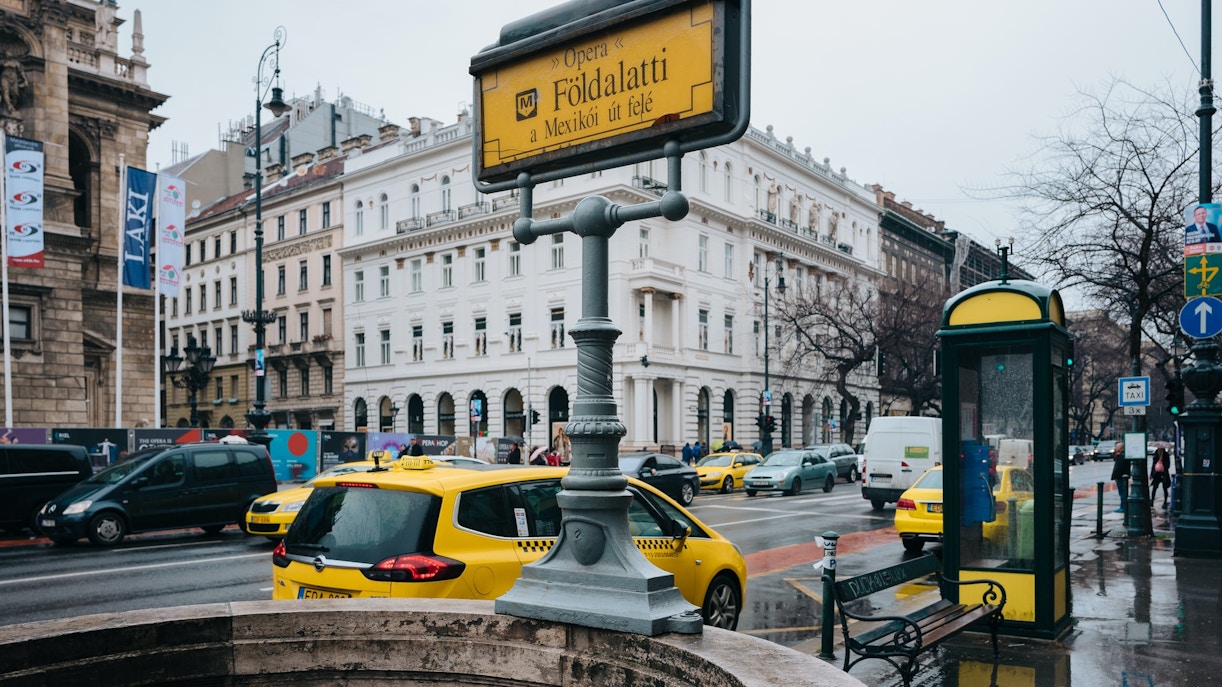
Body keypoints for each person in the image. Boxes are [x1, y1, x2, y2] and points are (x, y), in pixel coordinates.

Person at [1111, 445, 1131, 514]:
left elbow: (1119, 467)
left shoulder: (1122, 456)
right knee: (1122, 493)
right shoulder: (1121, 455)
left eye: (1117, 447)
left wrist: (1117, 476)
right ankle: (1123, 506)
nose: (1115, 448)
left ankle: (1123, 507)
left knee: (1123, 493)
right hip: (1121, 477)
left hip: (1121, 477)